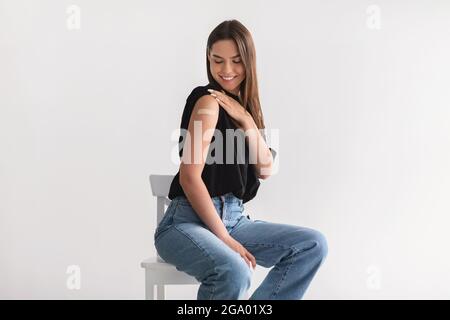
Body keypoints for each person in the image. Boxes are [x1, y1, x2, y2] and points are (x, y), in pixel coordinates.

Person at [154, 19, 327, 300]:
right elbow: (189, 177)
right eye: (217, 60)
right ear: (208, 59)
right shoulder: (209, 102)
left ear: (249, 61)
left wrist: (247, 120)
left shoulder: (242, 109)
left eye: (236, 61)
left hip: (235, 219)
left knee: (312, 245)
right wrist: (224, 238)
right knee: (235, 270)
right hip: (186, 222)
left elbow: (266, 168)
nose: (227, 70)